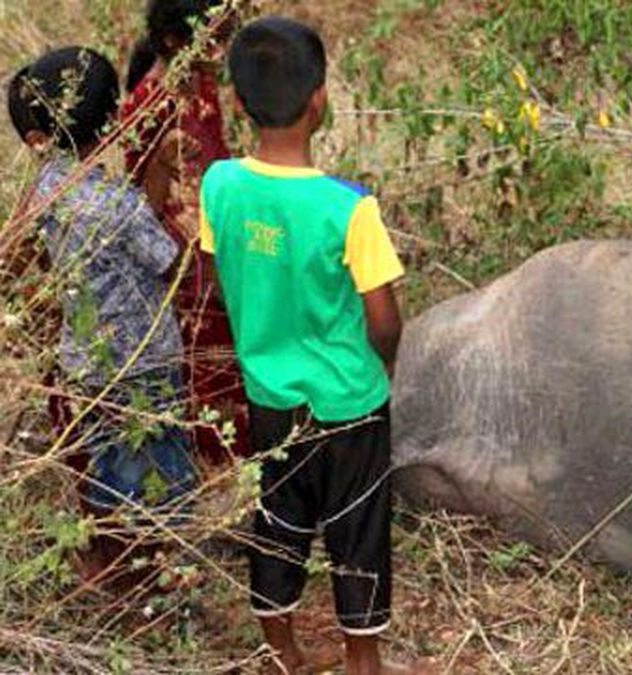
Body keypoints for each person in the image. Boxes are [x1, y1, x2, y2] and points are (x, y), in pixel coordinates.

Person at [199, 17, 417, 675]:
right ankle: (363, 660)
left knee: (279, 518)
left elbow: (217, 274)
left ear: (237, 101)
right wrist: (384, 359)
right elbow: (384, 322)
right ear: (320, 99)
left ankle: (282, 650)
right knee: (357, 531)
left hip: (269, 394)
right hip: (349, 402)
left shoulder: (220, 185)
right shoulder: (349, 208)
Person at [7, 47, 196, 583]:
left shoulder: (45, 189)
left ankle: (111, 562)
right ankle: (152, 582)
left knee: (110, 466)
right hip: (142, 364)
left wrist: (156, 168)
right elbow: (168, 261)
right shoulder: (117, 204)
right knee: (160, 478)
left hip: (86, 362)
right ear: (113, 118)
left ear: (36, 138)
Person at [122, 0, 250, 463]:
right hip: (182, 260)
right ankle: (215, 472)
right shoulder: (149, 101)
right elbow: (143, 198)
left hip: (214, 242)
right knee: (204, 370)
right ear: (177, 41)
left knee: (229, 365)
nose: (219, 53)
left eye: (224, 39)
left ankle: (236, 467)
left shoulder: (200, 81)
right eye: (210, 40)